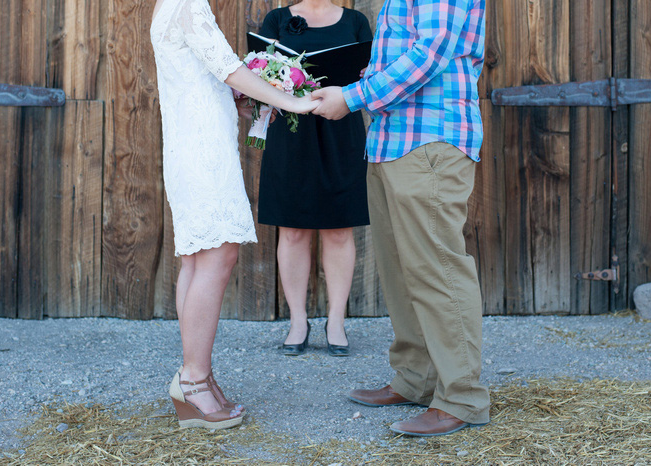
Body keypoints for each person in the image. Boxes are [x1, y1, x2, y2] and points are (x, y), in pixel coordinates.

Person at [312, 0, 490, 437]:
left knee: (436, 271)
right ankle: (417, 379)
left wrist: (353, 97)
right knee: (400, 272)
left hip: (430, 140)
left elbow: (430, 52)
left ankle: (462, 398)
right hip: (394, 141)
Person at [150, 0, 318, 430]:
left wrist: (239, 103)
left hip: (192, 142)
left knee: (198, 257)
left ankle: (195, 376)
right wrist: (291, 101)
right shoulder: (187, 5)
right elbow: (226, 67)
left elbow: (204, 75)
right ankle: (194, 381)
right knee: (217, 256)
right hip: (201, 148)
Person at [257, 0, 373, 357]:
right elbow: (258, 76)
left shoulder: (356, 21)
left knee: (339, 229)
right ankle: (297, 321)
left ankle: (336, 321)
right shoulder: (277, 19)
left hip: (341, 130)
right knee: (292, 230)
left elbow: (369, 74)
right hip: (291, 135)